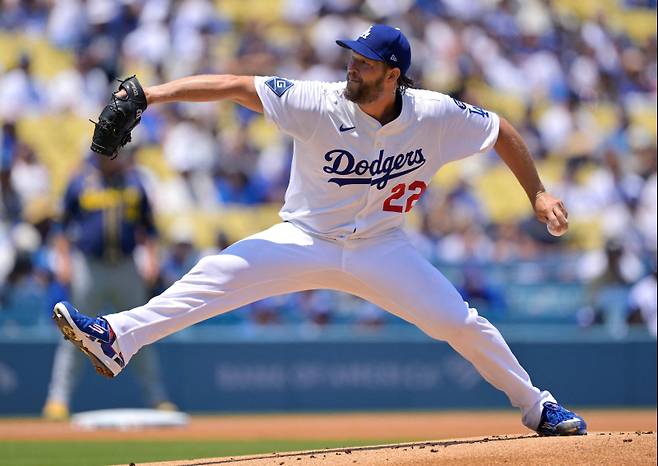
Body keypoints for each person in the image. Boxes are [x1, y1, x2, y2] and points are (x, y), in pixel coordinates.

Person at [52, 24, 585, 435]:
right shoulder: (318, 102)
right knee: (214, 277)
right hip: (304, 239)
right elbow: (235, 86)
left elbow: (500, 131)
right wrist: (150, 96)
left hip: (382, 247)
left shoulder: (434, 115)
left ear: (393, 75)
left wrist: (536, 192)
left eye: (364, 64)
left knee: (462, 323)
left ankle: (538, 407)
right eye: (351, 59)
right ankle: (116, 337)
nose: (351, 69)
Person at [43, 152, 176, 420]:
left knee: (141, 332)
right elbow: (62, 226)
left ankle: (157, 397)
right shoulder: (80, 182)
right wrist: (63, 260)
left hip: (126, 266)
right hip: (89, 265)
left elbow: (148, 228)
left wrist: (150, 258)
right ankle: (58, 399)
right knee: (74, 333)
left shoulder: (135, 184)